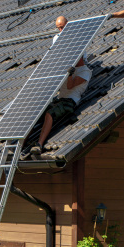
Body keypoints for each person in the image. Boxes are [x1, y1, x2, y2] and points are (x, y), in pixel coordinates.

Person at [30, 16, 93, 156]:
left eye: (62, 27)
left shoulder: (85, 72)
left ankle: (39, 144)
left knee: (49, 113)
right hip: (60, 98)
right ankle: (23, 140)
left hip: (70, 102)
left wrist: (69, 74)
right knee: (36, 112)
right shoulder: (58, 42)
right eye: (58, 27)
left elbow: (70, 86)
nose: (60, 30)